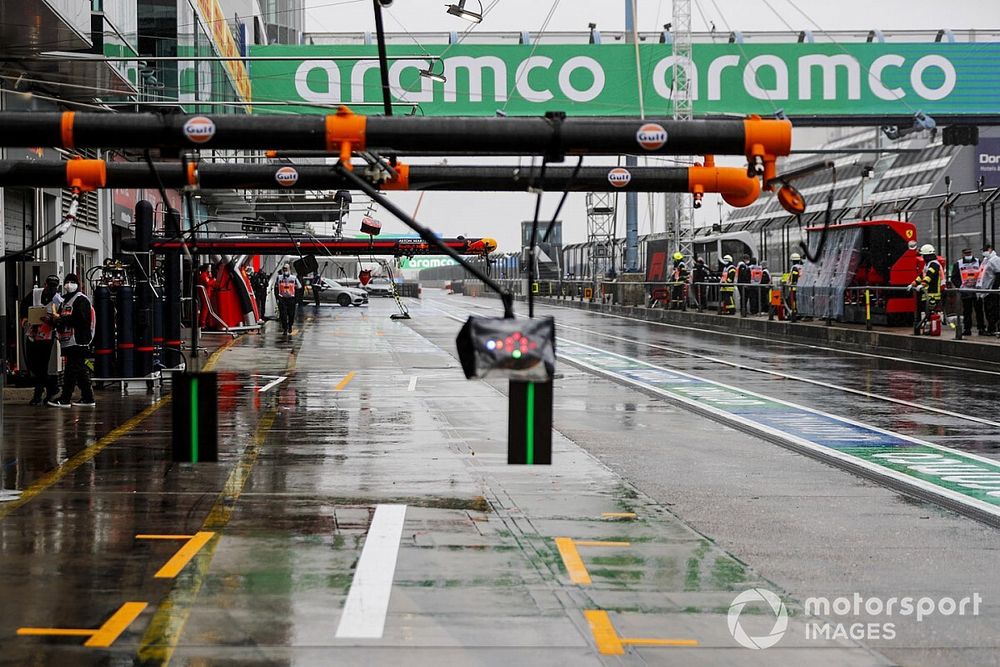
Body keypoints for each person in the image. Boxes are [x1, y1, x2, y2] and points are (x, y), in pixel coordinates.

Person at [47, 274, 95, 408]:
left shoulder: (81, 300)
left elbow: (81, 319)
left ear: (77, 284)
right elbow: (60, 318)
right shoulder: (64, 300)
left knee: (71, 370)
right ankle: (88, 397)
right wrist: (53, 321)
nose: (69, 284)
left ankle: (65, 398)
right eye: (67, 281)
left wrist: (62, 319)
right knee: (80, 370)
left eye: (72, 282)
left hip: (78, 341)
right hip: (68, 341)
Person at [20, 275, 63, 405]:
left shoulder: (58, 300)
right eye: (50, 287)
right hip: (33, 334)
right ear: (45, 285)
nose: (51, 290)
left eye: (54, 288)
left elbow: (59, 320)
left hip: (47, 337)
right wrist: (25, 319)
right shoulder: (35, 293)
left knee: (42, 365)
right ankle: (52, 387)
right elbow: (24, 307)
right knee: (32, 364)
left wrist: (51, 320)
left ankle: (38, 394)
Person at [908, 244, 943, 335]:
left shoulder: (934, 265)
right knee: (926, 312)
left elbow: (929, 276)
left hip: (933, 294)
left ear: (927, 255)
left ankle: (932, 330)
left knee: (930, 313)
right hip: (927, 293)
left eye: (923, 255)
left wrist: (922, 285)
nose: (922, 257)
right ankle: (927, 329)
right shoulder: (928, 265)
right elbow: (921, 276)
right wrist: (913, 283)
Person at [951, 247, 986, 336]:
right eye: (966, 253)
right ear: (963, 254)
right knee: (967, 311)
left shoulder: (978, 262)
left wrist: (980, 285)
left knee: (979, 310)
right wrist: (960, 286)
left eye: (969, 253)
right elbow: (954, 277)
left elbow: (982, 274)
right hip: (965, 291)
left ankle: (981, 328)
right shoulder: (958, 264)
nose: (968, 255)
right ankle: (967, 329)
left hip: (977, 291)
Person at [978, 244, 1000, 335]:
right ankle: (991, 328)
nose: (984, 252)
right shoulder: (986, 260)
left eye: (985, 250)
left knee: (993, 310)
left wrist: (994, 288)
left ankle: (994, 328)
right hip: (985, 290)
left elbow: (998, 274)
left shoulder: (995, 260)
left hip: (991, 289)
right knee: (988, 310)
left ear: (990, 249)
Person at [275, 264, 301, 335]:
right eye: (284, 268)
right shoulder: (279, 278)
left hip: (291, 299)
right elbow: (276, 288)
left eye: (286, 268)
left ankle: (290, 326)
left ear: (289, 269)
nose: (285, 270)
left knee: (291, 314)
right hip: (282, 299)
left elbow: (299, 287)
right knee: (283, 314)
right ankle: (285, 328)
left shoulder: (294, 278)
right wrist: (277, 298)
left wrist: (296, 299)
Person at [786, 252, 804, 321]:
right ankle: (798, 313)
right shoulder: (802, 267)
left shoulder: (794, 267)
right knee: (798, 301)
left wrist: (791, 283)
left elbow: (794, 276)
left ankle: (793, 313)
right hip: (800, 286)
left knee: (792, 301)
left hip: (793, 287)